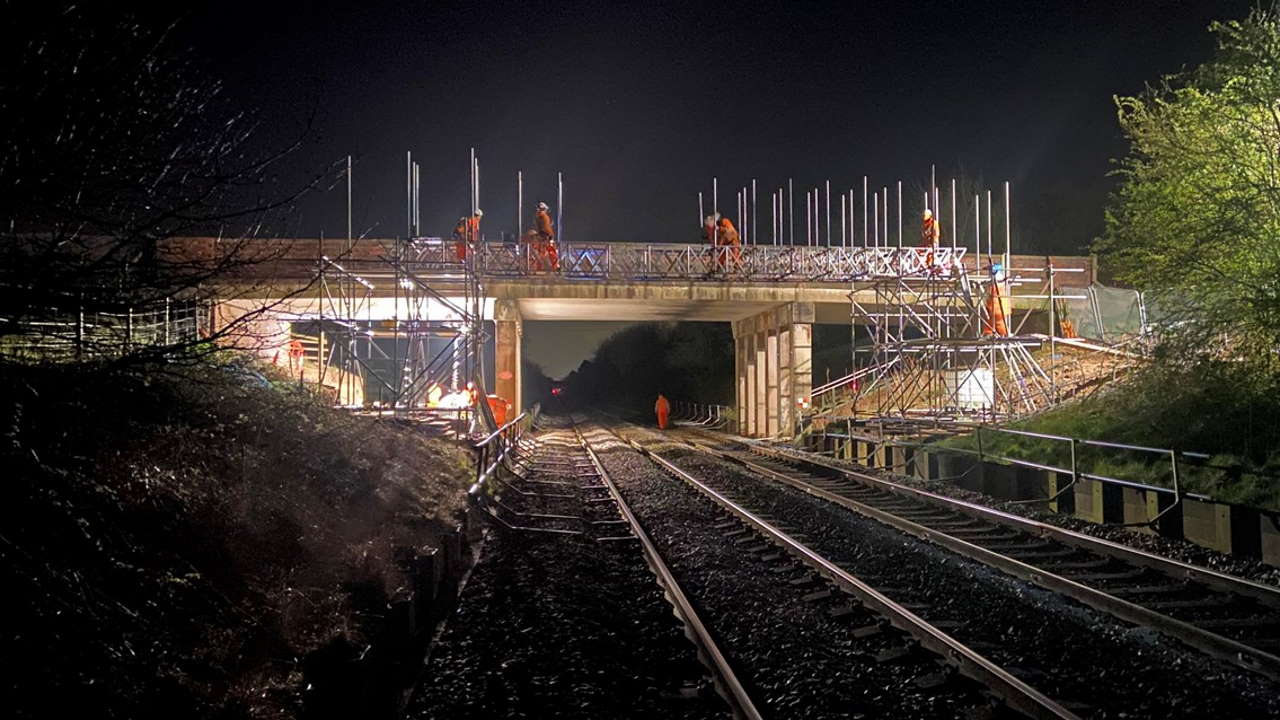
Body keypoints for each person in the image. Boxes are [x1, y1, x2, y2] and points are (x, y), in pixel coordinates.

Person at [983, 263, 1009, 336]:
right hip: (996, 308)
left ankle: (1003, 335)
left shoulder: (997, 280)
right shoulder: (998, 281)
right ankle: (989, 334)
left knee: (998, 322)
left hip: (997, 308)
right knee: (993, 322)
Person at [533, 201, 559, 271]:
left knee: (542, 252)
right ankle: (555, 267)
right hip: (546, 237)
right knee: (550, 252)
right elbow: (545, 228)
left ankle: (539, 267)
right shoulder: (543, 217)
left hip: (544, 237)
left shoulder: (540, 217)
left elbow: (544, 228)